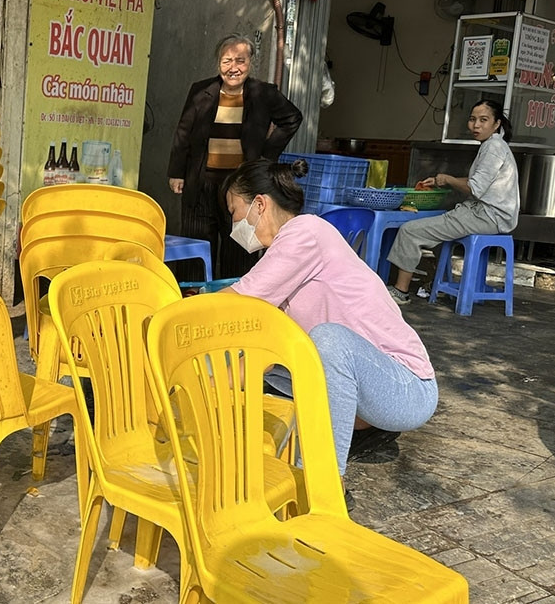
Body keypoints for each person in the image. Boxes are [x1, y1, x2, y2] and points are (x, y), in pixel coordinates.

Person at [220, 158, 439, 483]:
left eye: (235, 211)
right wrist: (203, 385)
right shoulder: (285, 257)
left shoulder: (306, 233)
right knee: (274, 372)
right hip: (368, 384)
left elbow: (237, 301)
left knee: (328, 340)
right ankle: (360, 428)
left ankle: (323, 482)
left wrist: (166, 315)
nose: (234, 223)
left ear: (260, 204)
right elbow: (263, 348)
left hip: (406, 388)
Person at [168, 34, 302, 280]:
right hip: (201, 182)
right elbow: (183, 131)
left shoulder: (263, 93)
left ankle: (235, 295)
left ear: (250, 63)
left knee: (239, 250)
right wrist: (177, 173)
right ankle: (193, 294)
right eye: (227, 61)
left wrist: (266, 157)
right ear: (218, 63)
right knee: (196, 246)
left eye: (240, 60)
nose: (233, 68)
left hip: (240, 185)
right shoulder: (201, 91)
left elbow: (292, 118)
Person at [387, 99, 520, 304]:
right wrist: (441, 180)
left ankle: (400, 291)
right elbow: (479, 181)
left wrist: (448, 179)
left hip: (488, 215)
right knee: (437, 233)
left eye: (483, 120)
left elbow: (475, 188)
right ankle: (439, 283)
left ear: (497, 124)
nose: (476, 125)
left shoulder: (493, 147)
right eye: (472, 119)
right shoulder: (493, 145)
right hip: (489, 214)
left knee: (410, 230)